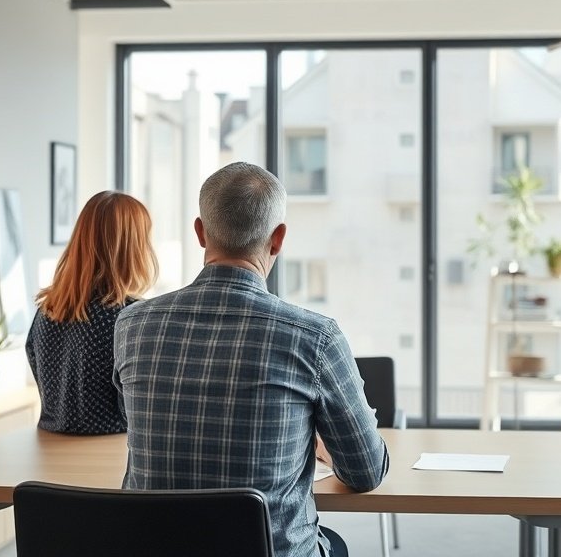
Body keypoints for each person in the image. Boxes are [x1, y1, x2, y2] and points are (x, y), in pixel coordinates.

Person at [113, 162, 387, 557]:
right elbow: (365, 472)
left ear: (200, 232)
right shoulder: (314, 337)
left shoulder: (132, 325)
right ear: (278, 239)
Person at [26, 191, 157, 435]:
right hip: (110, 449)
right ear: (133, 249)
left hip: (49, 445)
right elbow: (134, 405)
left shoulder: (47, 309)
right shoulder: (132, 316)